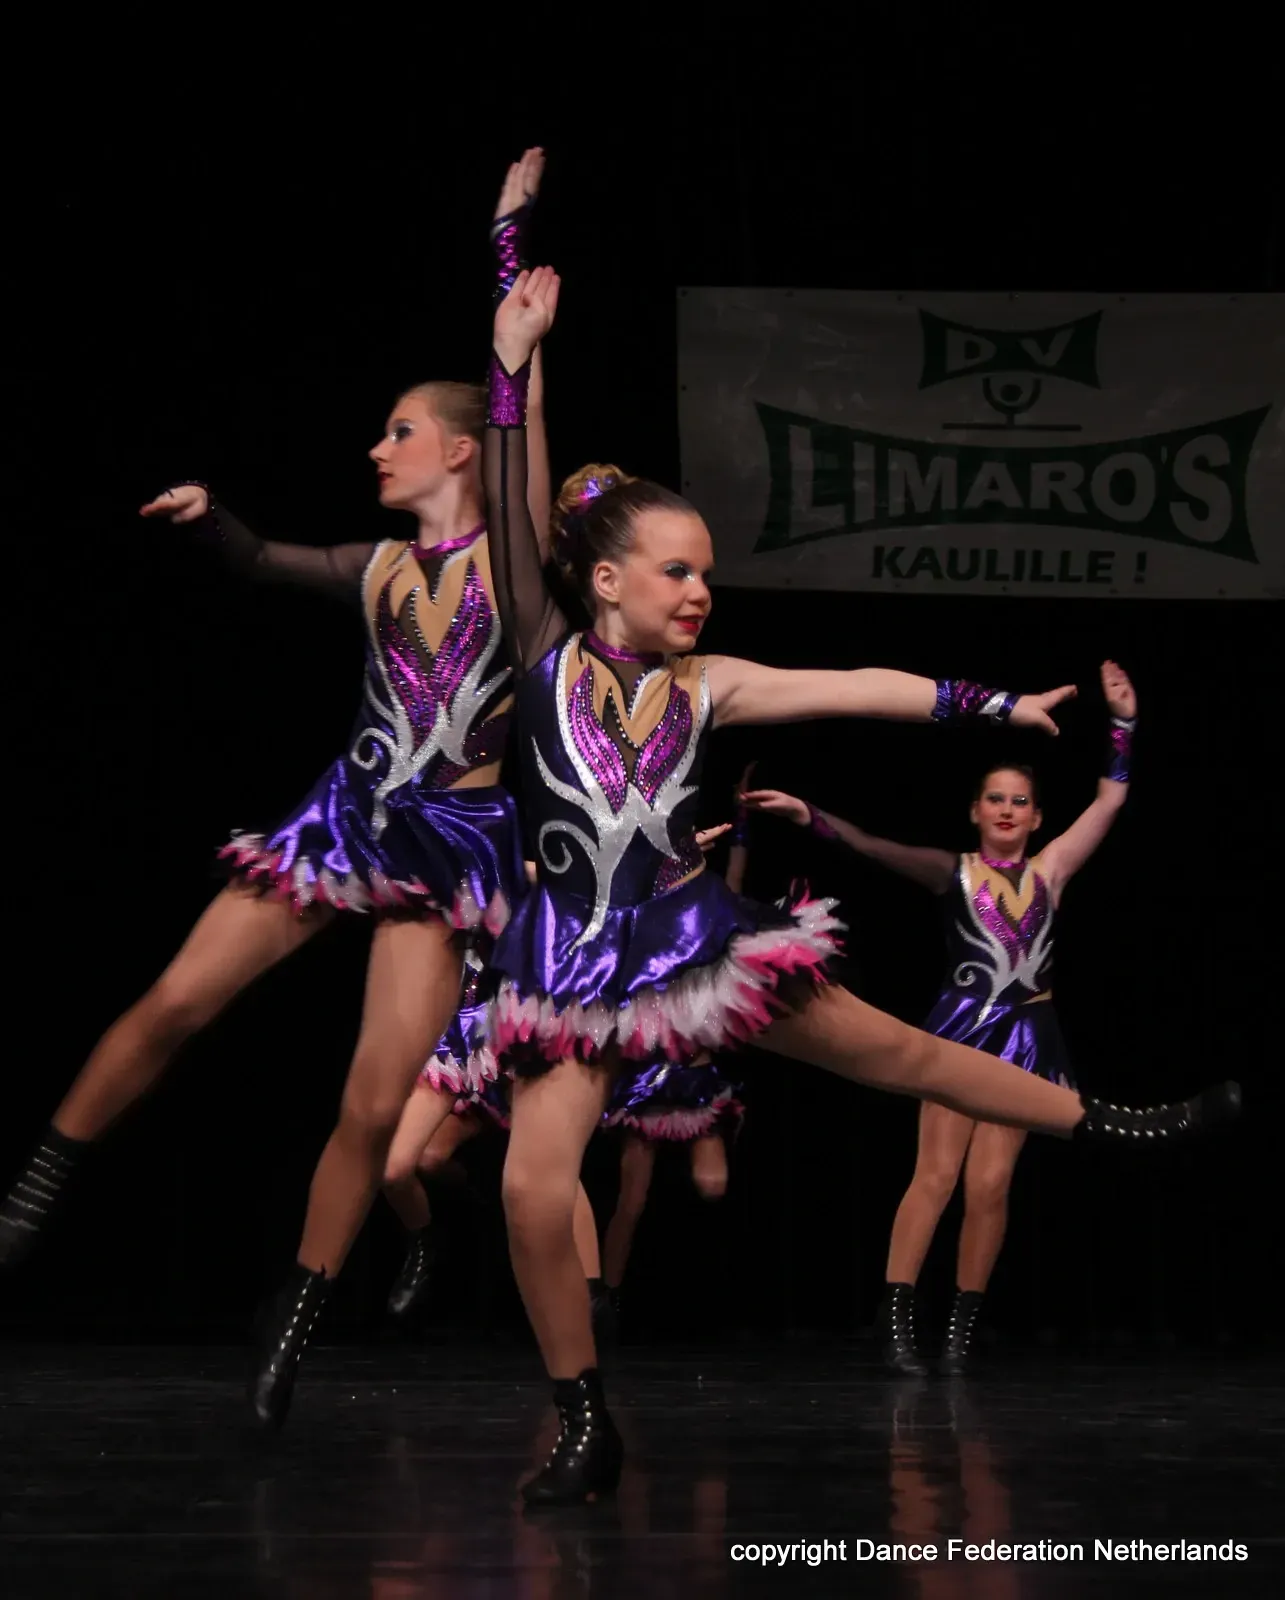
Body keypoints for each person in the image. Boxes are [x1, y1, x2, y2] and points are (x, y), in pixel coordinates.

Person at [477, 275, 1239, 1504]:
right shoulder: (538, 647)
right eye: (675, 571)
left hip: (689, 941)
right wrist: (513, 359)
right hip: (571, 964)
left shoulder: (710, 682)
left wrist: (990, 702)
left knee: (904, 1054)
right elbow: (516, 504)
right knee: (529, 1189)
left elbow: (857, 682)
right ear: (604, 579)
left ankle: (1110, 1122)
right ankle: (584, 1421)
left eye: (706, 573)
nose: (698, 591)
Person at [0, 151, 554, 1434]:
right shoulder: (376, 565)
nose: (376, 445)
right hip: (345, 819)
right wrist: (209, 518)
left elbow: (523, 446)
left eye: (397, 430)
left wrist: (510, 275)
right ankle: (32, 1191)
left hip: (448, 849)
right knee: (174, 1000)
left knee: (373, 1099)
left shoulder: (515, 570)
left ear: (457, 448)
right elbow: (256, 559)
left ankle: (295, 1312)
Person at [742, 662, 1140, 1373]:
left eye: (1020, 801)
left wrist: (1123, 723)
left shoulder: (1051, 871)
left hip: (1027, 1033)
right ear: (975, 811)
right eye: (995, 799)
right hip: (961, 1027)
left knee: (989, 1186)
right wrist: (809, 817)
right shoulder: (952, 872)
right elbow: (871, 847)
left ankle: (959, 1332)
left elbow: (1111, 797)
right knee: (935, 1175)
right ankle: (896, 1320)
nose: (1007, 810)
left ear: (1037, 816)